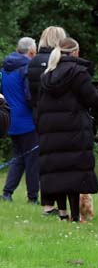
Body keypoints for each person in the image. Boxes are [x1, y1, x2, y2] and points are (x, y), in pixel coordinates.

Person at [37, 38, 98, 222]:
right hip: (74, 129)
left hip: (51, 130)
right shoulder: (78, 73)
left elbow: (39, 106)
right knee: (75, 173)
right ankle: (75, 216)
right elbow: (92, 99)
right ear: (75, 52)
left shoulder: (47, 75)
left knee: (58, 172)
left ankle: (62, 213)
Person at [27, 26, 67, 215]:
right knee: (61, 161)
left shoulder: (33, 62)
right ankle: (62, 205)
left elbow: (30, 92)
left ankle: (47, 203)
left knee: (46, 159)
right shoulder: (58, 61)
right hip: (59, 116)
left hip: (39, 114)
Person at [2, 37, 39, 203]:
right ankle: (32, 197)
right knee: (32, 160)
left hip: (10, 121)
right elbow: (29, 95)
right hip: (26, 121)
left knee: (18, 157)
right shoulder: (25, 68)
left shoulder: (4, 69)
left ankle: (7, 192)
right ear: (31, 52)